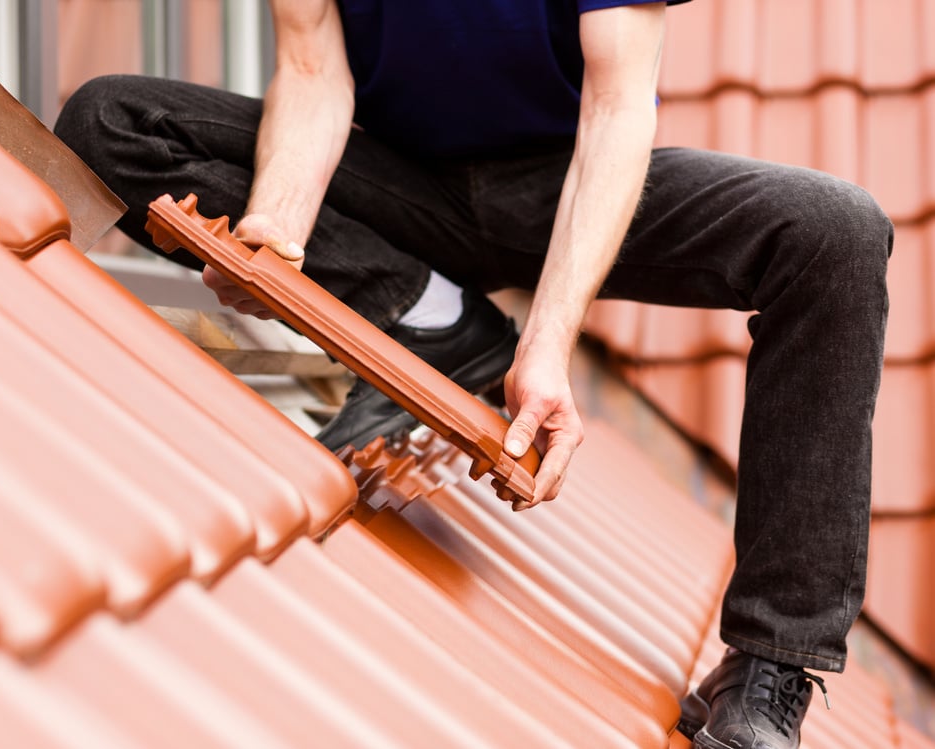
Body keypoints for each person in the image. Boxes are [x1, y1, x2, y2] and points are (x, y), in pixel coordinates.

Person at [54, 1, 892, 746]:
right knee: (112, 119)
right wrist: (275, 226)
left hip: (560, 183)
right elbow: (312, 71)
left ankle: (769, 666)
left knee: (836, 233)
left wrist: (548, 346)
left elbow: (616, 111)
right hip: (398, 178)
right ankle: (434, 316)